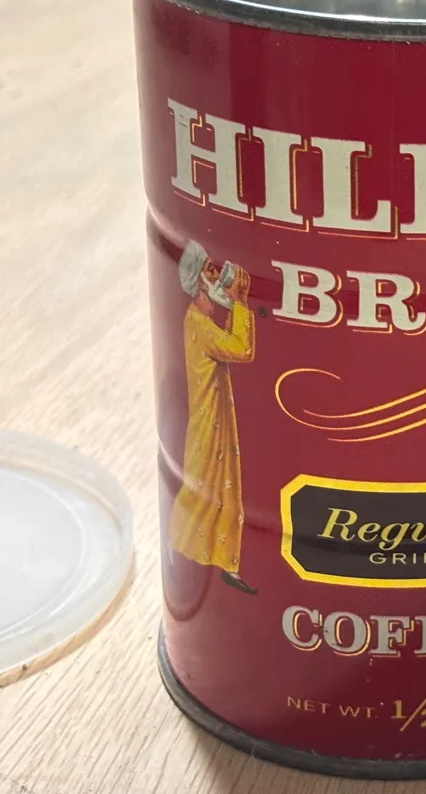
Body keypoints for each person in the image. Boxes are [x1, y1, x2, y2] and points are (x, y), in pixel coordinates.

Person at [168, 239, 257, 594]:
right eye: (210, 269)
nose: (218, 274)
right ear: (199, 282)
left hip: (216, 417)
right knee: (206, 491)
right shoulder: (199, 325)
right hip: (208, 424)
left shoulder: (200, 321)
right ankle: (185, 554)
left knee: (223, 491)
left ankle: (224, 565)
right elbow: (242, 349)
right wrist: (241, 302)